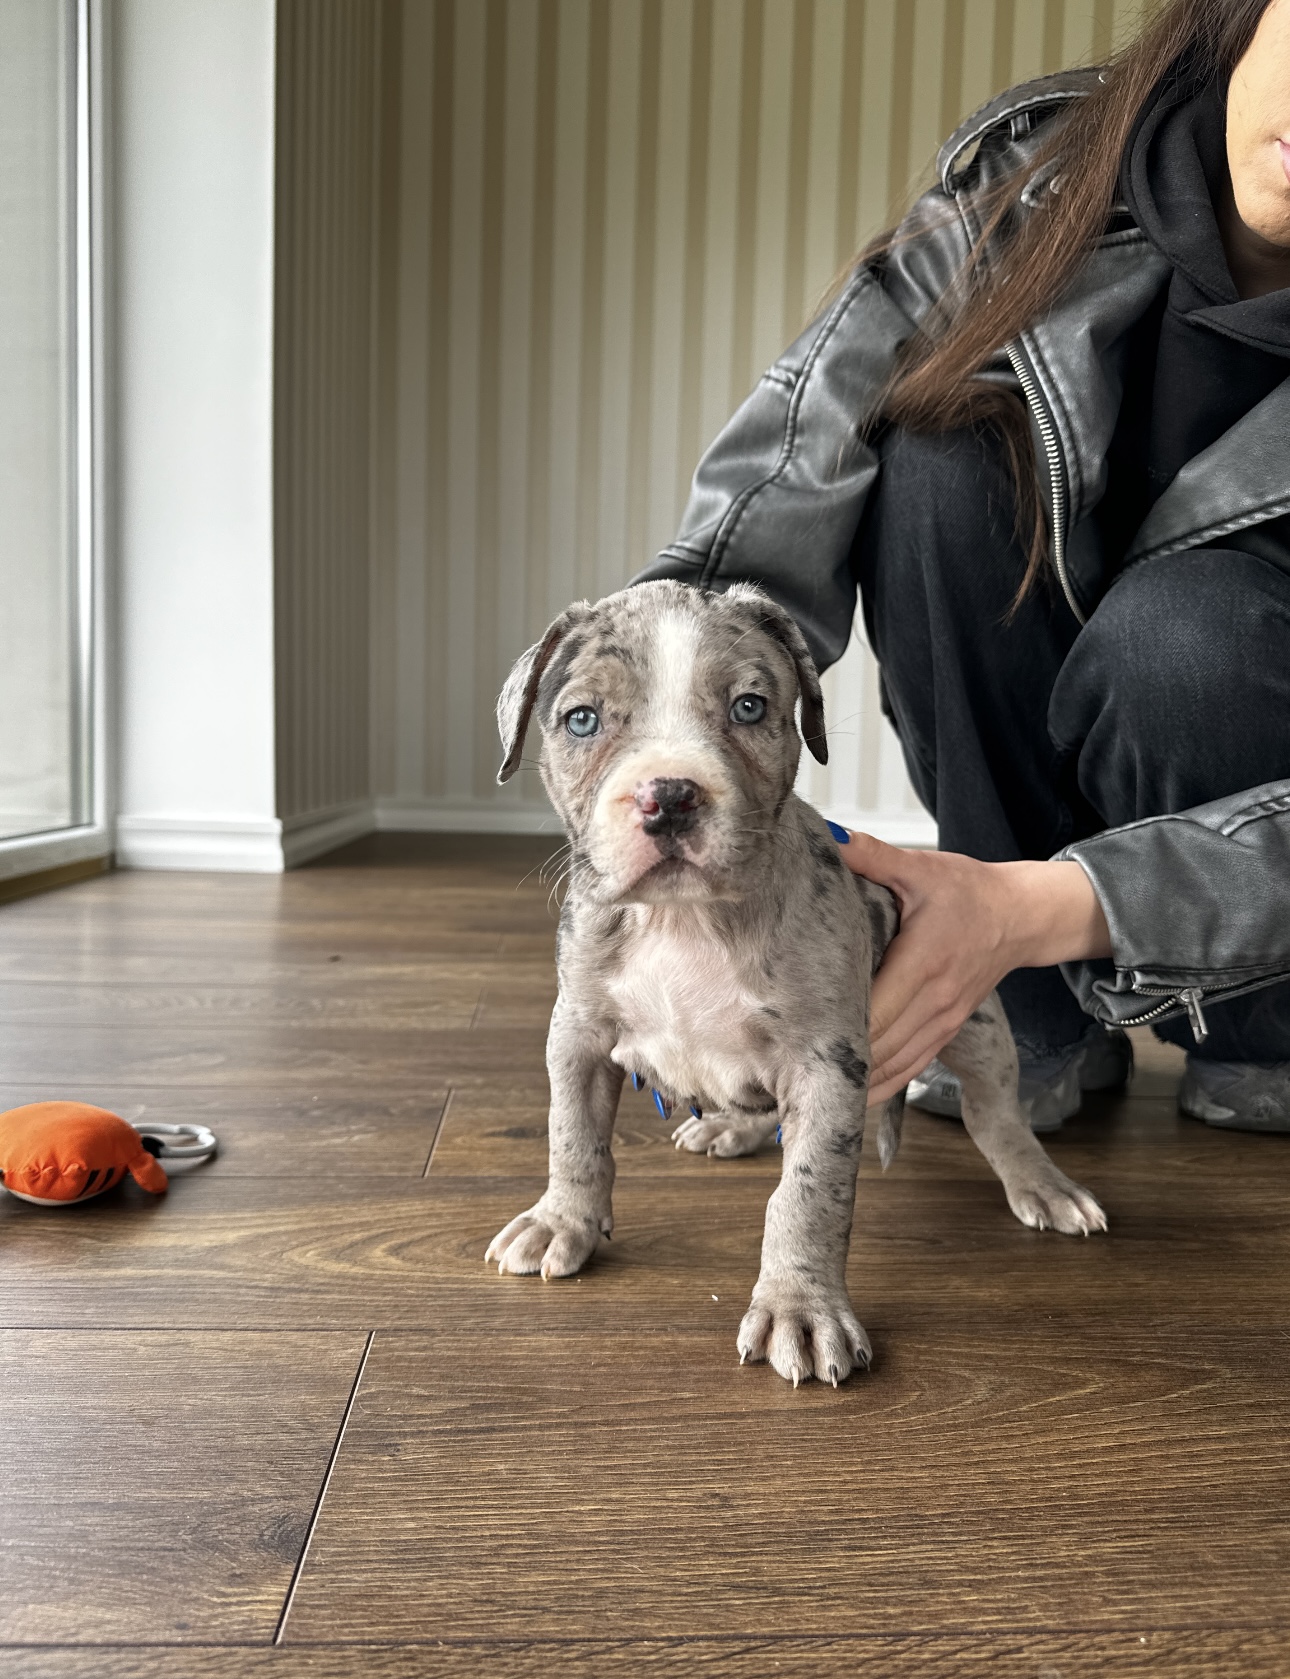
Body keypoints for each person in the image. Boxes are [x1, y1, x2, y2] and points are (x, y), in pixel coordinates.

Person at [636, 0, 1290, 1131]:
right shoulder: (1037, 174)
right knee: (942, 446)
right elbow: (807, 435)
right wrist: (675, 744)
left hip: (1249, 827)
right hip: (1031, 774)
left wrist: (1045, 903)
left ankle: (1260, 1034)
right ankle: (1017, 1017)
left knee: (1185, 634)